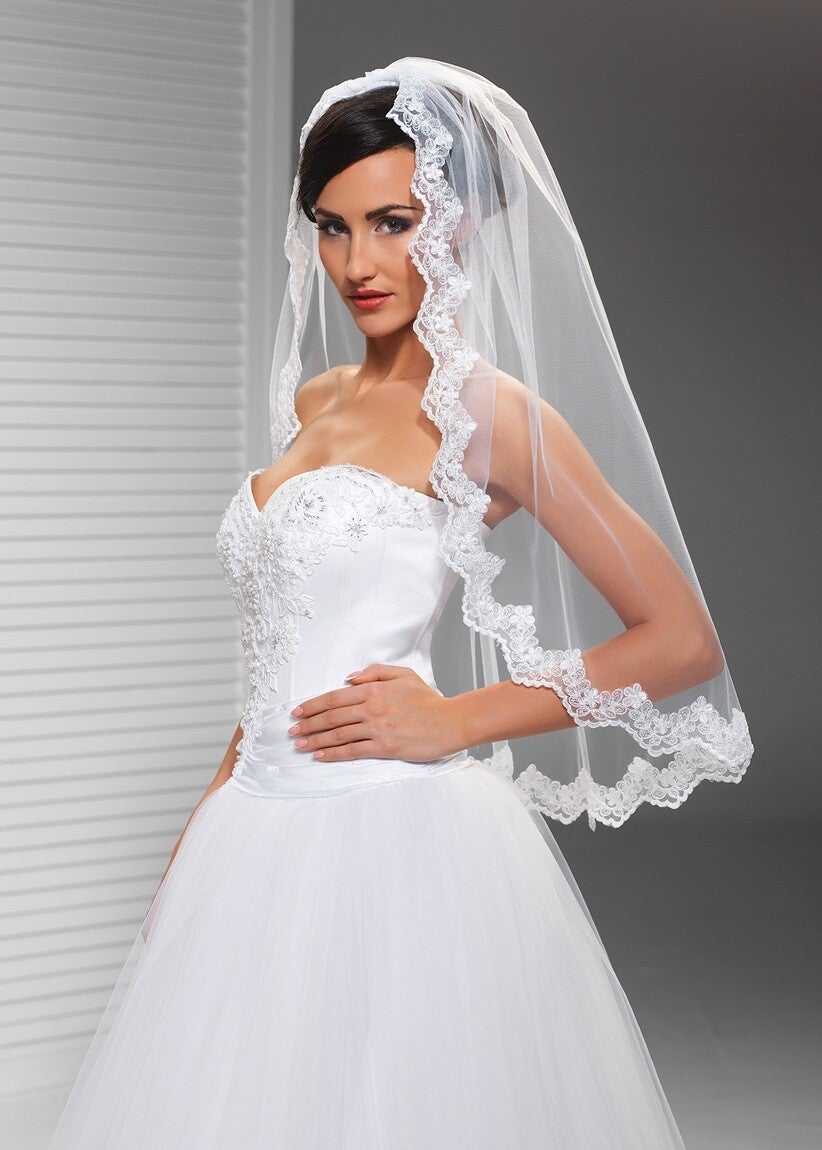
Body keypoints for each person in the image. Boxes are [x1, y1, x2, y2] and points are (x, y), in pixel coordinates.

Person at [49, 58, 752, 1148]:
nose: (358, 263)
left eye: (393, 222)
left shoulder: (492, 415)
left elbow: (682, 640)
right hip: (253, 830)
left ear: (459, 223)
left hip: (389, 836)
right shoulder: (317, 400)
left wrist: (456, 720)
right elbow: (283, 641)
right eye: (332, 228)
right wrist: (204, 824)